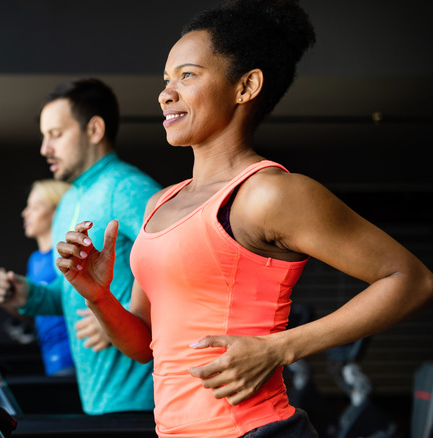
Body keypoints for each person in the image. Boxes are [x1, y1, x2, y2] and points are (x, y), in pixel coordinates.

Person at [53, 1, 433, 437]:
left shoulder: (266, 194)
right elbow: (143, 345)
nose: (165, 92)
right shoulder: (159, 203)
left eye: (188, 75)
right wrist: (98, 297)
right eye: (166, 79)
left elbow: (412, 279)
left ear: (246, 86)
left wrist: (281, 347)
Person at [0, 78, 160, 415]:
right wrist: (27, 295)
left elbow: (178, 262)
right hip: (96, 401)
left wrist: (118, 317)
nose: (45, 148)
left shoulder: (128, 187)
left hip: (142, 403)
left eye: (56, 134)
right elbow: (71, 299)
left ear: (94, 130)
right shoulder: (69, 202)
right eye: (44, 136)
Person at [21, 179, 76, 376]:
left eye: (35, 208)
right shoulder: (34, 260)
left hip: (71, 358)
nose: (25, 213)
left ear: (57, 212)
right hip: (49, 358)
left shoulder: (67, 257)